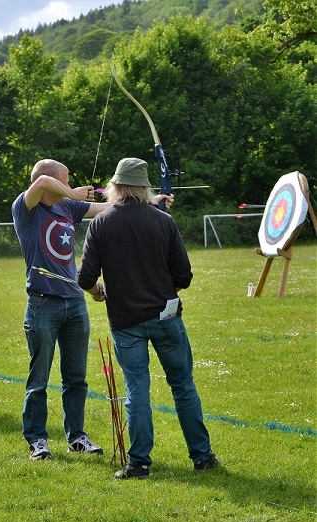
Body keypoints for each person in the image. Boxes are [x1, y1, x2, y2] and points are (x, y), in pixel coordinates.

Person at [77, 157, 218, 479]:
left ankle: (138, 463)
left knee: (137, 389)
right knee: (183, 386)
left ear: (113, 187)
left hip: (126, 321)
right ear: (144, 188)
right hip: (166, 316)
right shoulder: (162, 221)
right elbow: (183, 275)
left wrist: (98, 290)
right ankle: (203, 457)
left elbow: (85, 277)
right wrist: (161, 286)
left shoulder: (101, 223)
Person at [11, 158, 118, 460]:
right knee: (39, 378)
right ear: (53, 180)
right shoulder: (26, 207)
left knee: (76, 377)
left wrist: (147, 201)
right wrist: (73, 193)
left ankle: (77, 436)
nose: (71, 185)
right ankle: (37, 440)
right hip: (43, 302)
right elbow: (43, 184)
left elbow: (109, 210)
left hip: (74, 301)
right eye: (67, 180)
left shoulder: (67, 207)